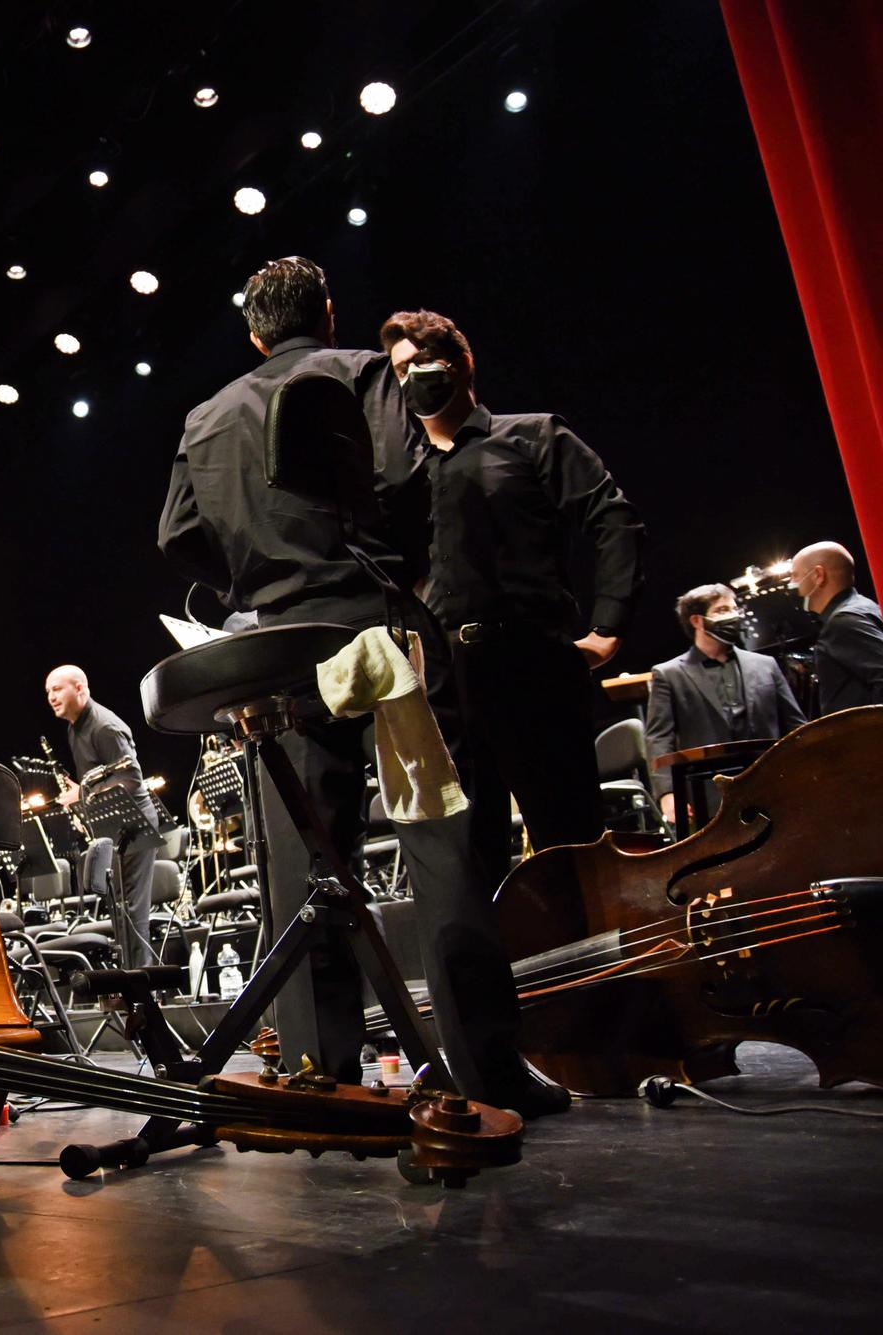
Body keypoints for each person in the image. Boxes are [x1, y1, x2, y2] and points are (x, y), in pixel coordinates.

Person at [158, 257, 565, 1116]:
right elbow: (415, 487)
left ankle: (323, 1075)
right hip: (380, 627)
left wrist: (252, 585)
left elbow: (179, 534)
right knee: (442, 843)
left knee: (309, 864)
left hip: (279, 647)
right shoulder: (366, 372)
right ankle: (487, 1071)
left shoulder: (205, 415)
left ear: (254, 332)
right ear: (330, 314)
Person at [379, 309, 644, 878]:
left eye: (421, 363)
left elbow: (612, 519)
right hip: (446, 679)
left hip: (532, 661)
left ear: (458, 364)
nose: (410, 379)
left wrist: (607, 628)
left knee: (568, 837)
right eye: (398, 371)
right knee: (469, 852)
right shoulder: (403, 478)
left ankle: (597, 960)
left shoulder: (532, 435)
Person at [645, 583, 806, 824]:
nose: (732, 615)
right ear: (697, 621)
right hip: (709, 796)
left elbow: (795, 725)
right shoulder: (669, 674)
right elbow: (659, 738)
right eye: (721, 610)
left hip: (772, 787)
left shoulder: (765, 664)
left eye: (734, 608)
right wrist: (667, 793)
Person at [45, 665, 161, 966]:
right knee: (118, 907)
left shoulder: (104, 726)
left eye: (57, 689)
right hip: (113, 824)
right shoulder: (74, 727)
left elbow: (132, 778)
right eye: (48, 692)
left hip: (134, 824)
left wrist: (81, 794)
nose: (51, 697)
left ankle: (142, 985)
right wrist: (80, 790)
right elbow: (98, 776)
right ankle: (127, 982)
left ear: (80, 688)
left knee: (132, 909)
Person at [790, 541, 883, 714]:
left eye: (795, 576)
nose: (791, 584)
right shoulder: (863, 606)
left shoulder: (843, 622)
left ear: (818, 575)